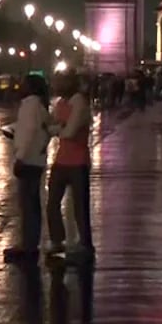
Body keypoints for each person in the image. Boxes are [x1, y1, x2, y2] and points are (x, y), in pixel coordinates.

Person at [44, 69, 94, 262]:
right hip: (62, 159)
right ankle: (58, 239)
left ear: (69, 83)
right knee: (52, 203)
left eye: (59, 82)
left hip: (78, 161)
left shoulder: (79, 102)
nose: (55, 85)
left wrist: (54, 129)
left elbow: (70, 131)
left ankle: (85, 243)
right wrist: (57, 128)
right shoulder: (61, 103)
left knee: (80, 206)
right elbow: (57, 126)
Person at [4, 74, 51, 263]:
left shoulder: (29, 106)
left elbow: (30, 130)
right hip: (36, 159)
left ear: (31, 88)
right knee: (32, 204)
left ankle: (28, 245)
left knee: (27, 204)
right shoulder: (39, 105)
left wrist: (21, 157)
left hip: (29, 160)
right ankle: (30, 243)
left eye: (23, 84)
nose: (19, 87)